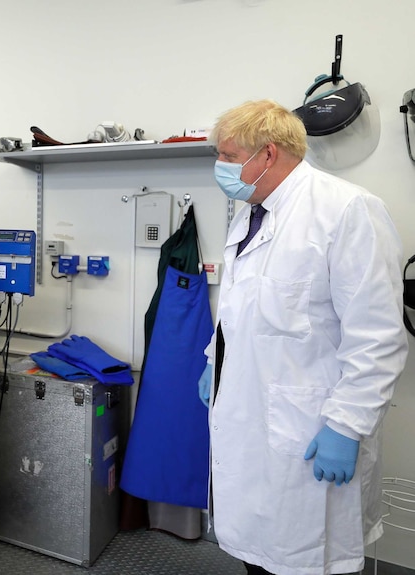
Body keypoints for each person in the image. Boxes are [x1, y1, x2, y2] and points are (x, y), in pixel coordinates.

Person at [198, 99, 408, 575]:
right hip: (252, 424)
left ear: (268, 154)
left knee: (309, 560)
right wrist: (216, 360)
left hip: (311, 433)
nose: (221, 166)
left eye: (229, 156)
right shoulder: (250, 215)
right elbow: (239, 308)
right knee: (261, 558)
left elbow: (377, 337)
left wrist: (347, 425)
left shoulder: (347, 210)